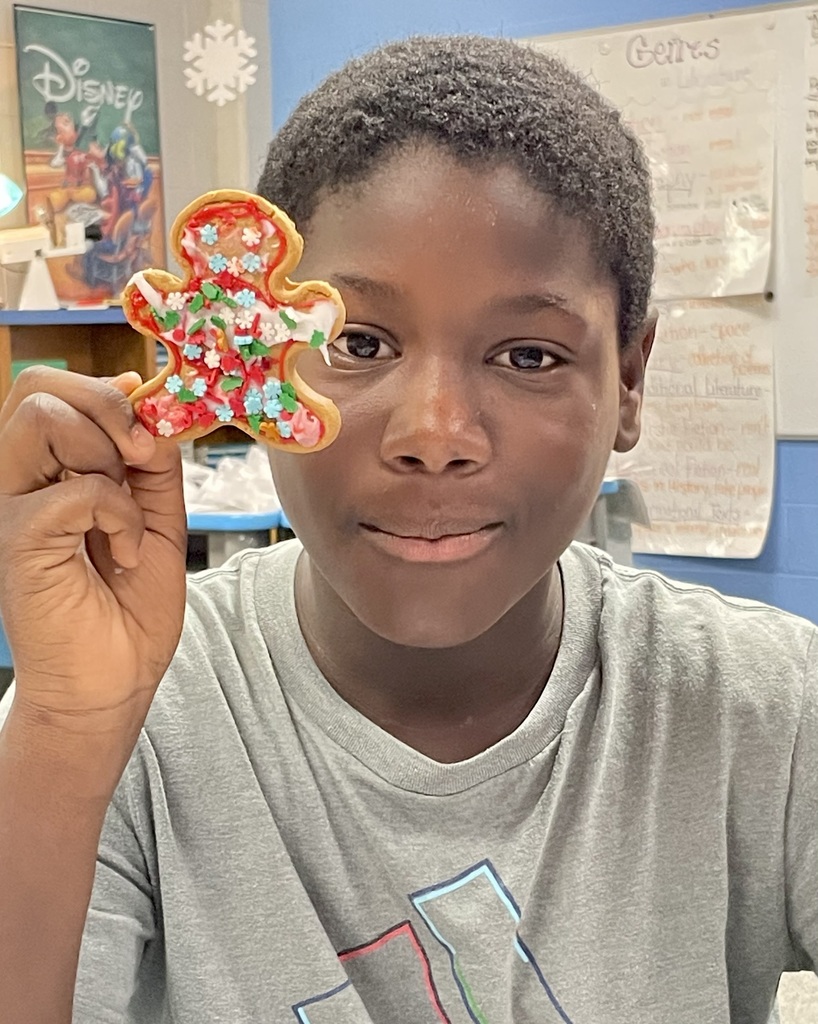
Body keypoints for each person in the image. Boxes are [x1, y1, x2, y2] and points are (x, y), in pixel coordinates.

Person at [0, 34, 814, 1024]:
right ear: (254, 346)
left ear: (628, 379)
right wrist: (65, 733)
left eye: (526, 353)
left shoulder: (765, 709)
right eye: (354, 340)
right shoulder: (124, 710)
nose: (435, 434)